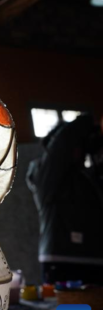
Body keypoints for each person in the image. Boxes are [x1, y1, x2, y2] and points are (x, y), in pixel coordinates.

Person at [26, 113, 103, 285]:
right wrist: (90, 121)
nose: (79, 150)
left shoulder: (87, 178)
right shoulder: (46, 177)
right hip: (63, 261)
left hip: (95, 261)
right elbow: (62, 144)